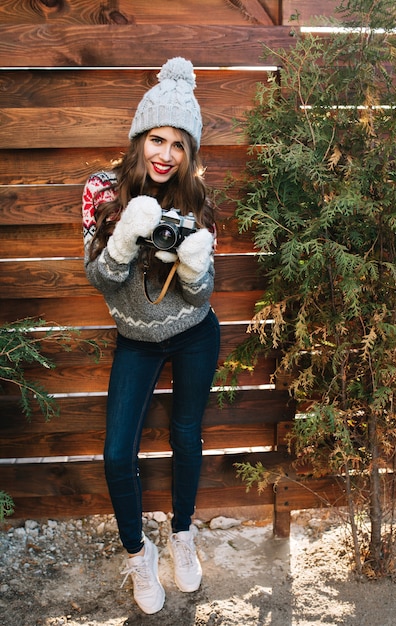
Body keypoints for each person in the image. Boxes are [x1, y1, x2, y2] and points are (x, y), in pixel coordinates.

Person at [81, 57, 220, 614]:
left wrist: (190, 266)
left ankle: (182, 536)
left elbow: (200, 297)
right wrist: (121, 239)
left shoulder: (198, 203)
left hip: (193, 333)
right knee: (118, 453)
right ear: (139, 138)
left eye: (178, 144)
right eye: (156, 139)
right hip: (135, 338)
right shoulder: (101, 191)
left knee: (186, 436)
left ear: (190, 153)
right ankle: (138, 556)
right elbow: (101, 279)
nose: (164, 155)